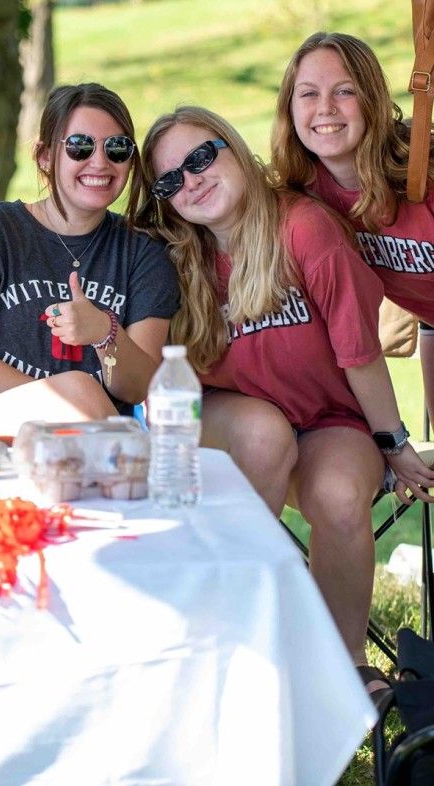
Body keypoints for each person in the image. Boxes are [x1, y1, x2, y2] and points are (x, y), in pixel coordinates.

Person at [132, 104, 434, 697]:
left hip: (329, 420)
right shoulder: (167, 253)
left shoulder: (302, 228)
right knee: (265, 432)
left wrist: (394, 443)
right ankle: (230, 640)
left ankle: (341, 668)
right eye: (171, 179)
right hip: (227, 417)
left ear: (234, 148)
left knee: (342, 495)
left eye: (201, 157)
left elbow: (358, 351)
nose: (191, 180)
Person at [0, 83, 179, 439]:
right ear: (44, 156)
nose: (100, 162)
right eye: (80, 146)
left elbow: (137, 388)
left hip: (90, 444)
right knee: (83, 393)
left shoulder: (143, 253)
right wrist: (64, 402)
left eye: (117, 148)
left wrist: (105, 333)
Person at [272, 29, 434, 438]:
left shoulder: (424, 171)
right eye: (308, 94)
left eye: (344, 91)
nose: (325, 108)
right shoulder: (301, 197)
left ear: (372, 99)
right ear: (289, 109)